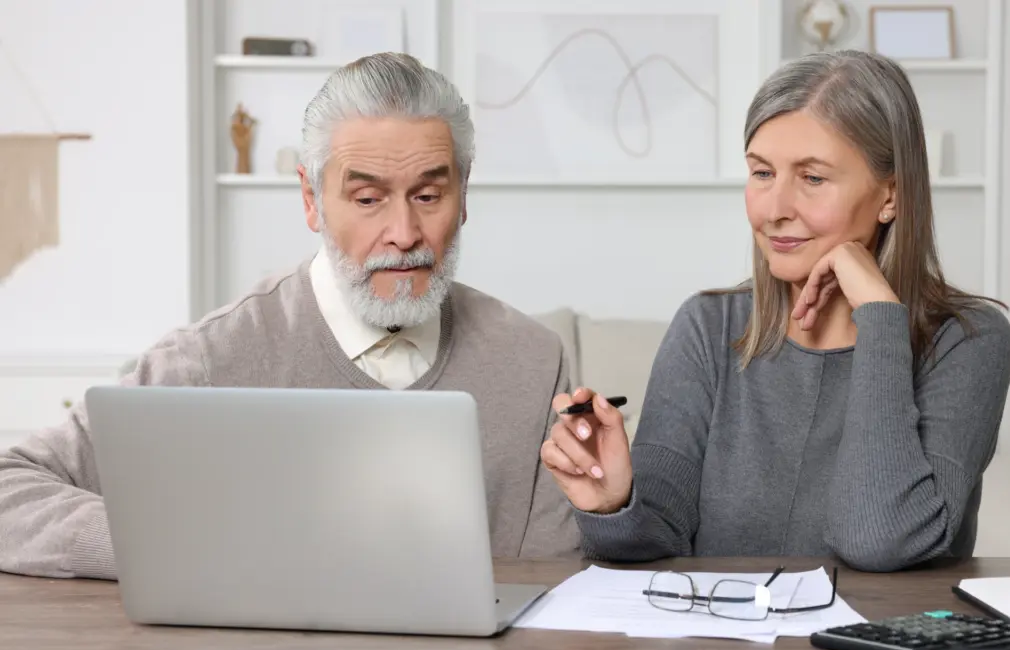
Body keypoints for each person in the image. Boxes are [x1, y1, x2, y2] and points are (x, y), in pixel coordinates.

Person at [0, 52, 579, 580]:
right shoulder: (213, 357)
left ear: (463, 194)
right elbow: (10, 488)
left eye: (428, 197)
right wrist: (163, 540)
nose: (404, 235)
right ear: (311, 200)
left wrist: (614, 509)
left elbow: (559, 579)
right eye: (368, 199)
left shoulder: (533, 360)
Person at [540, 50, 1010, 573]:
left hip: (879, 630)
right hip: (720, 629)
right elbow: (659, 536)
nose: (774, 209)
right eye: (762, 172)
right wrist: (613, 504)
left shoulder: (969, 339)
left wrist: (882, 317)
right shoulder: (708, 326)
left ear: (890, 196)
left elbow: (880, 541)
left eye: (813, 178)